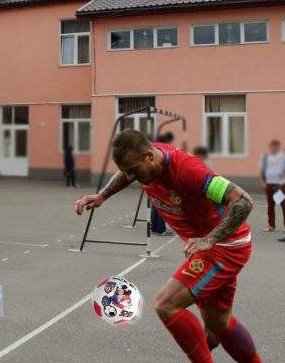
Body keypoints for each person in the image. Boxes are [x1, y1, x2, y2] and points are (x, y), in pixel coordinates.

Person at [75, 130, 261, 363]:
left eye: (134, 170)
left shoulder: (187, 171)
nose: (131, 176)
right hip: (210, 247)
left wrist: (208, 240)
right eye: (127, 171)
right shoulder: (143, 161)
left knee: (166, 305)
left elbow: (244, 201)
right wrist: (102, 195)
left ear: (150, 157)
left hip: (224, 246)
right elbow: (125, 174)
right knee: (217, 326)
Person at [259, 140, 285, 232]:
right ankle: (271, 225)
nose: (274, 148)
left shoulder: (283, 157)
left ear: (278, 147)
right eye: (273, 146)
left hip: (279, 184)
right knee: (270, 205)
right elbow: (262, 171)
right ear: (270, 146)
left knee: (283, 204)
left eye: (276, 146)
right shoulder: (265, 157)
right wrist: (262, 182)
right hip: (269, 183)